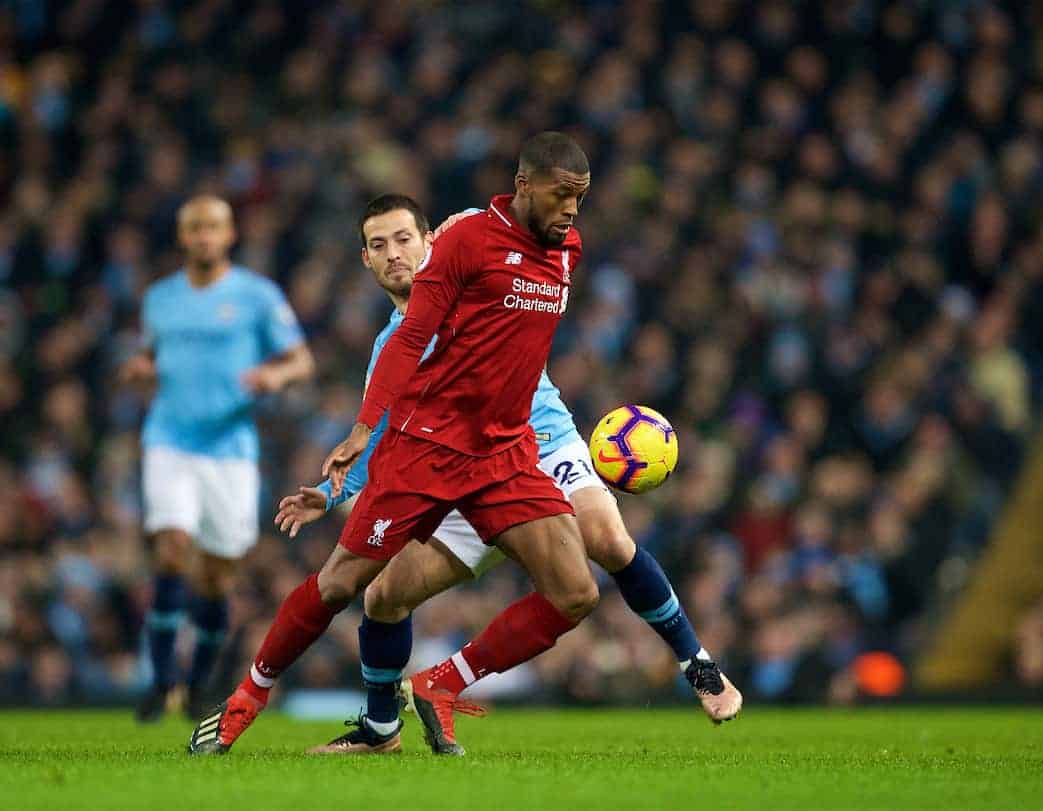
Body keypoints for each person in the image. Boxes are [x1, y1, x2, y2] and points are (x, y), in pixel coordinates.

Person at [271, 195, 741, 755]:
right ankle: (380, 730)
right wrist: (329, 493)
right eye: (380, 246)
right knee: (383, 599)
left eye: (405, 240)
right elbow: (375, 444)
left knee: (608, 540)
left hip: (540, 444)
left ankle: (698, 664)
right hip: (457, 474)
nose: (396, 255)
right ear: (366, 261)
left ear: (429, 244)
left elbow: (525, 217)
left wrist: (468, 218)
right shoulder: (390, 348)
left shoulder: (473, 266)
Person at [190, 131, 610, 756]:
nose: (572, 209)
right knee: (343, 586)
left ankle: (441, 686)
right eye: (561, 195)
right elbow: (413, 338)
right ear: (525, 188)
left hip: (505, 455)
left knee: (577, 591)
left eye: (579, 197)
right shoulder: (464, 248)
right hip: (427, 454)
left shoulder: (564, 249)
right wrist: (357, 440)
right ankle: (245, 699)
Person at [119, 196, 314, 722]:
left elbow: (301, 359)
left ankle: (199, 681)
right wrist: (141, 366)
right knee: (171, 548)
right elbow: (152, 354)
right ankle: (160, 680)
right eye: (195, 228)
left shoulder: (256, 296)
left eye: (214, 228)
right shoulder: (160, 298)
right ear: (183, 237)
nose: (205, 236)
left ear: (229, 235)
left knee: (215, 576)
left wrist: (276, 376)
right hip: (170, 440)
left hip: (230, 450)